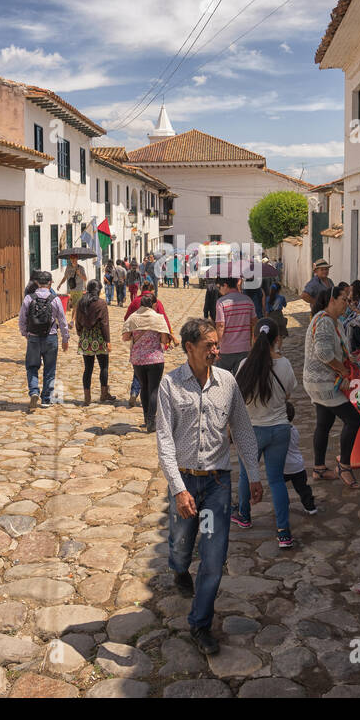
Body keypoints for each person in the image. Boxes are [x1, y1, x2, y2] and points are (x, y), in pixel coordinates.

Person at [155, 317, 262, 655]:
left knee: (213, 558)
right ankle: (178, 568)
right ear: (189, 348)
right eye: (209, 346)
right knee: (182, 543)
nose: (216, 350)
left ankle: (200, 623)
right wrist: (177, 488)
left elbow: (242, 430)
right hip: (185, 480)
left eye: (217, 344)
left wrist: (254, 474)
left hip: (216, 483)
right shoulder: (170, 386)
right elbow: (164, 441)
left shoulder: (227, 383)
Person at [232, 316, 299, 547]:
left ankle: (244, 515)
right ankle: (283, 532)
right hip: (280, 429)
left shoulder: (244, 366)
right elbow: (289, 392)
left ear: (253, 337)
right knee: (277, 480)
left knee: (245, 475)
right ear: (277, 339)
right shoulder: (285, 365)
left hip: (251, 431)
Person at [302, 285, 360, 488]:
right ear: (332, 300)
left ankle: (319, 468)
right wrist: (343, 371)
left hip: (317, 381)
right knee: (353, 420)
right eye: (344, 299)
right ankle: (344, 466)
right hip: (324, 383)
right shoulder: (326, 321)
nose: (348, 304)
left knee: (324, 423)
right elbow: (324, 353)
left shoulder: (329, 320)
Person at [19, 269, 69, 410]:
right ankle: (46, 399)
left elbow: (22, 320)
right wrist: (65, 339)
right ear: (50, 283)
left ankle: (34, 391)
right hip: (51, 337)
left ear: (37, 282)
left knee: (32, 367)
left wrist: (26, 334)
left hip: (33, 338)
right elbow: (63, 321)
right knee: (50, 368)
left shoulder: (29, 298)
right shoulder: (55, 299)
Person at [123, 291, 172, 431]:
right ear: (153, 305)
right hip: (155, 358)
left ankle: (146, 419)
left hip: (138, 359)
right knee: (154, 389)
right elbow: (163, 339)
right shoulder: (158, 318)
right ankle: (151, 421)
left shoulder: (133, 318)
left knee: (144, 387)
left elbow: (125, 337)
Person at [74, 280, 114, 405]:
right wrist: (107, 340)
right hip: (99, 338)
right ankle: (103, 393)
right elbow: (104, 323)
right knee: (104, 367)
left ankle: (87, 397)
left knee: (88, 368)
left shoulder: (81, 302)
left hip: (86, 338)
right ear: (98, 290)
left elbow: (78, 319)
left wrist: (80, 331)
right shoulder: (101, 303)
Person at [281, 400, 317, 515]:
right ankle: (310, 507)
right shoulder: (294, 429)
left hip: (283, 467)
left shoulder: (280, 432)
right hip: (298, 466)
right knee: (303, 489)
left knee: (279, 487)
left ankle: (282, 506)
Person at [214, 277, 257, 372]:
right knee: (241, 379)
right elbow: (254, 322)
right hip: (244, 348)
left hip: (226, 349)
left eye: (219, 287)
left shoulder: (221, 302)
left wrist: (216, 346)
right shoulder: (248, 300)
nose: (219, 290)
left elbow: (221, 326)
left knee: (222, 380)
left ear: (225, 285)